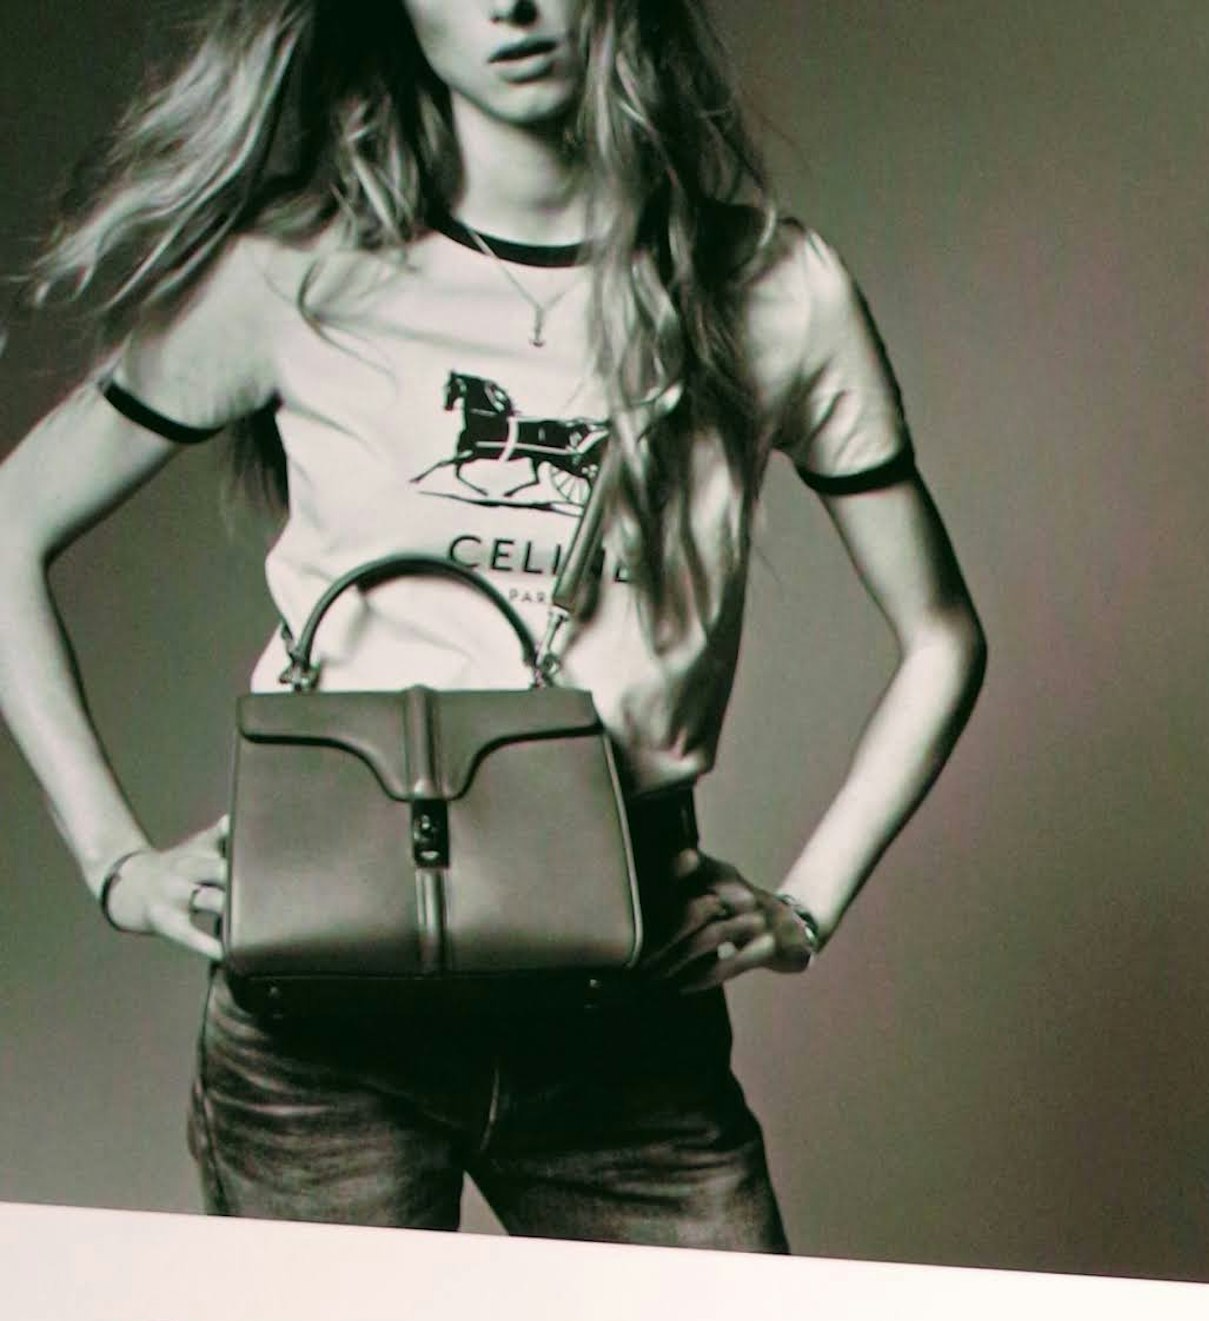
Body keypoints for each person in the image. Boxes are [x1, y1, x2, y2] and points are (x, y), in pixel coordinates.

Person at [0, 0, 987, 1245]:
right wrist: (114, 865)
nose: (509, 6)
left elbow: (942, 637)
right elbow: (8, 529)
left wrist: (807, 902)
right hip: (324, 1021)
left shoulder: (772, 286)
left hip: (625, 1008)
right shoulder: (296, 273)